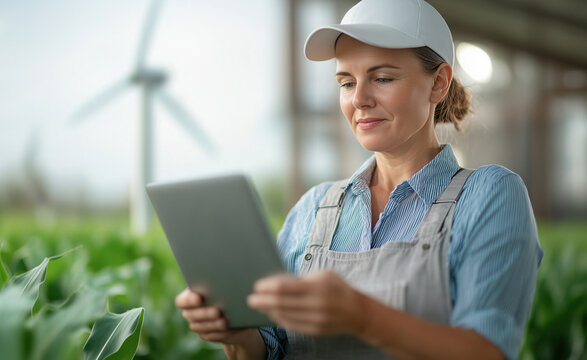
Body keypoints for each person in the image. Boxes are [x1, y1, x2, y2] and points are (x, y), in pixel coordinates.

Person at [175, 0, 544, 359]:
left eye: (382, 78)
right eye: (346, 83)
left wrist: (361, 315)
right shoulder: (313, 207)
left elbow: (489, 350)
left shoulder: (490, 194)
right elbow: (270, 349)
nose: (360, 100)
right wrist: (236, 334)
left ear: (439, 83)